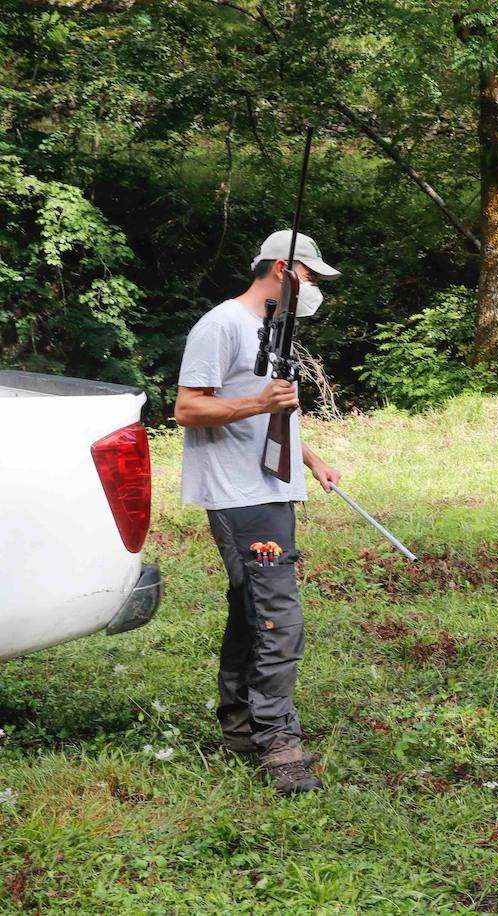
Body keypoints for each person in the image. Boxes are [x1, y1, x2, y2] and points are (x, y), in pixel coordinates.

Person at [174, 229, 342, 796]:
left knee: (252, 607)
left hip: (272, 486)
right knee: (279, 615)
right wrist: (259, 401)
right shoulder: (220, 325)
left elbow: (273, 413)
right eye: (311, 275)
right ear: (282, 270)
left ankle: (241, 725)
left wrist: (311, 457)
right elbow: (188, 408)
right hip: (236, 493)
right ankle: (278, 742)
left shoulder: (274, 331)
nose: (315, 287)